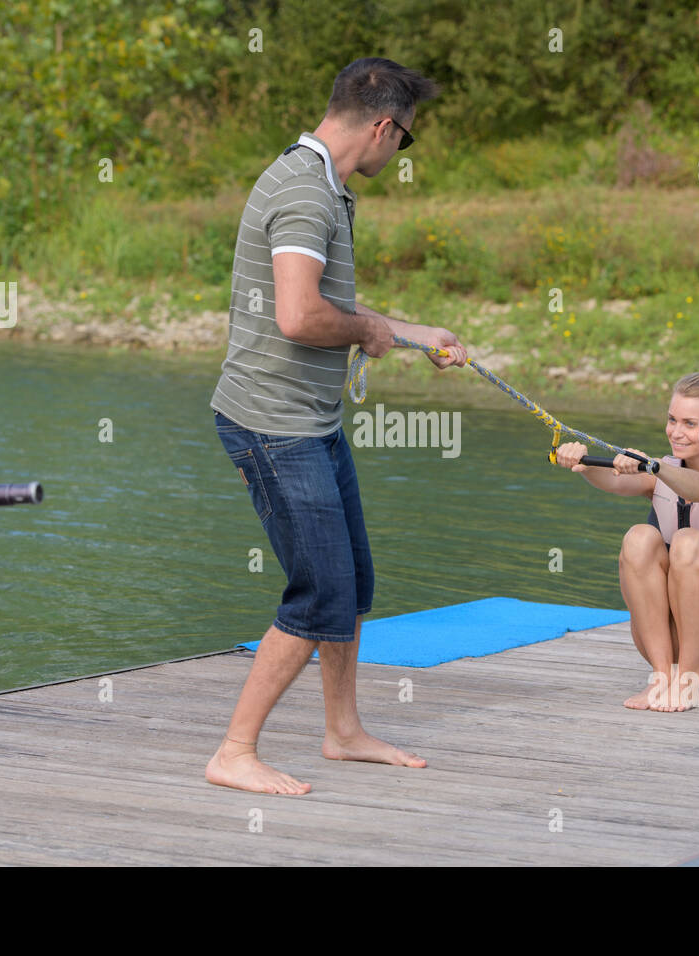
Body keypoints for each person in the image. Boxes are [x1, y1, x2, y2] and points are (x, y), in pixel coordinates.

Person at [207, 58, 468, 794]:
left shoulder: (326, 186)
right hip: (271, 424)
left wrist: (414, 334)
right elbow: (299, 317)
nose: (400, 154)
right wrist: (367, 331)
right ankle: (234, 751)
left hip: (310, 421)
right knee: (320, 593)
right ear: (383, 126)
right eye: (406, 141)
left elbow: (333, 308)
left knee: (352, 585)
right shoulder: (301, 192)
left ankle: (343, 731)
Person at [554, 371, 699, 712]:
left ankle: (688, 683)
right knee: (639, 538)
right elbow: (615, 483)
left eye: (690, 423)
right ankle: (662, 678)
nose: (676, 432)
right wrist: (582, 463)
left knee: (689, 543)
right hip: (676, 638)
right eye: (672, 420)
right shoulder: (663, 470)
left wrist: (653, 467)